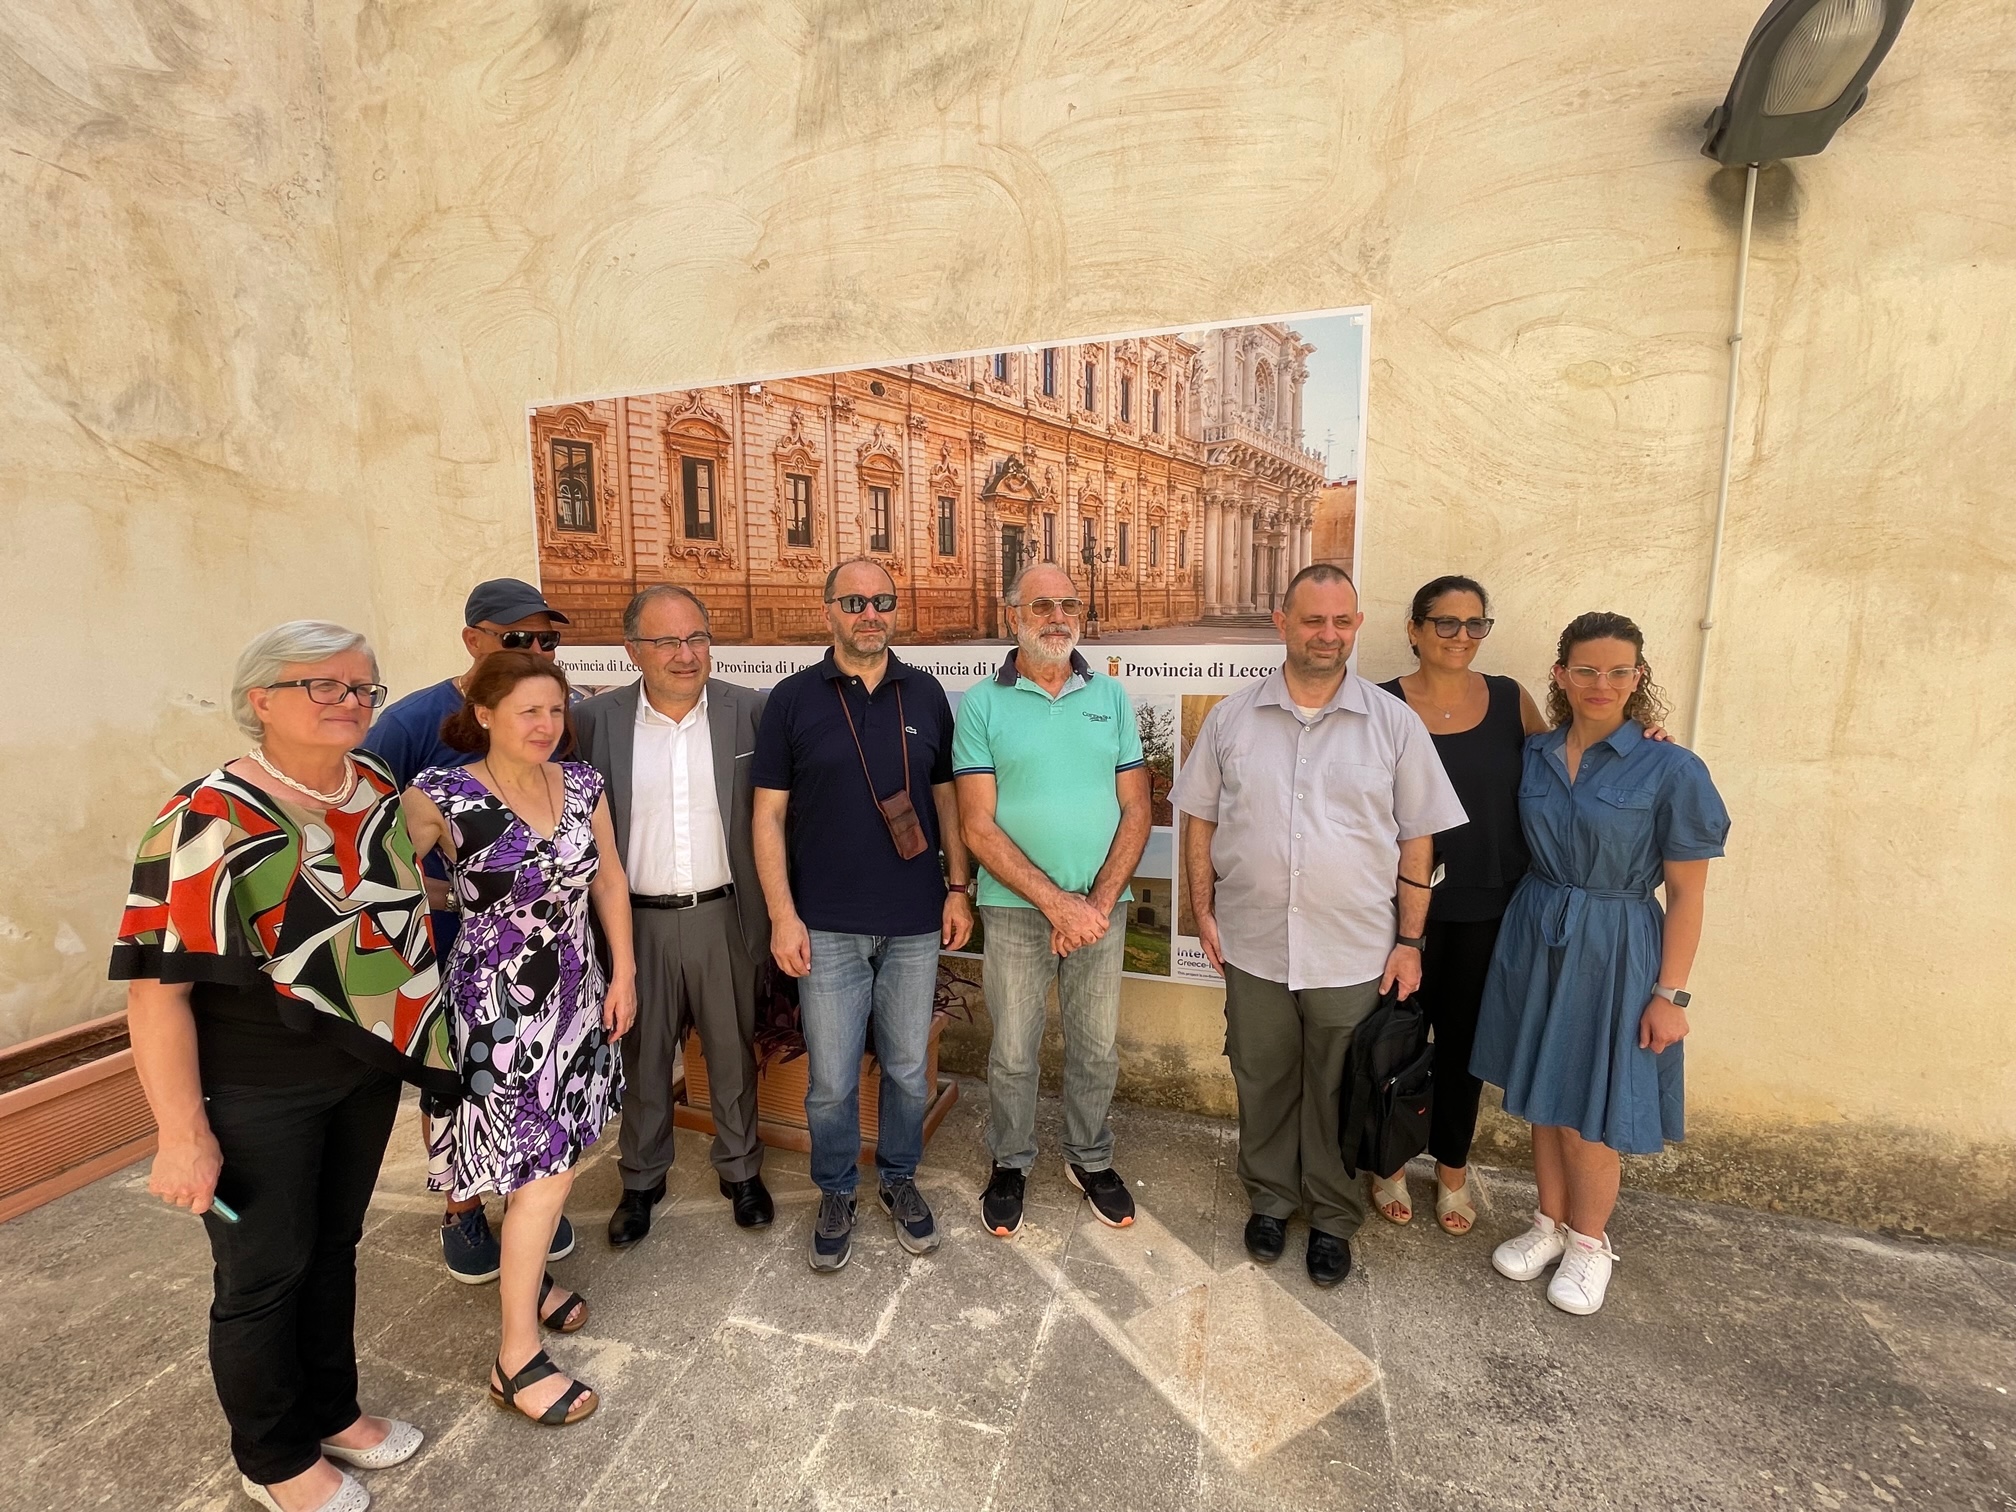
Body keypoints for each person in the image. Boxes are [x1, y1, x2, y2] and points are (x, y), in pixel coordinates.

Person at [114, 620, 454, 1512]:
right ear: (259, 699)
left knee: (334, 1247)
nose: (351, 702)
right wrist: (181, 1133)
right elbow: (156, 993)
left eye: (365, 688)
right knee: (263, 1272)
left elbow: (391, 873)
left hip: (361, 1065)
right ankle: (272, 1458)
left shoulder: (377, 784)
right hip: (256, 1083)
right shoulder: (204, 819)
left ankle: (332, 1410)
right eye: (325, 685)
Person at [1172, 565, 1466, 1286]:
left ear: (1357, 627)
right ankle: (1271, 1199)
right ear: (1282, 621)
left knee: (1341, 1088)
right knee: (1262, 1075)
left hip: (1354, 952)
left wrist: (1409, 941)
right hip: (1254, 944)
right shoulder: (1231, 720)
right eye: (1312, 620)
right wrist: (1203, 913)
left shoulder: (1392, 725)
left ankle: (1333, 1216)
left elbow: (1419, 840)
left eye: (1341, 622)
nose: (1327, 635)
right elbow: (1200, 821)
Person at [1470, 612, 1729, 1316]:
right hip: (1537, 929)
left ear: (1639, 679)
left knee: (1593, 1106)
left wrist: (1671, 993)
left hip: (1616, 943)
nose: (1601, 683)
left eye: (1619, 670)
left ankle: (1591, 1244)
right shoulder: (1535, 754)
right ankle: (1548, 1226)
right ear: (1560, 675)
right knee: (1545, 1095)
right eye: (1585, 669)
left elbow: (1687, 893)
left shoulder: (1671, 766)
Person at [402, 652, 637, 1424]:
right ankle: (515, 1358)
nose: (545, 725)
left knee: (555, 1156)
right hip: (496, 1004)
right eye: (528, 710)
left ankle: (527, 1279)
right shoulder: (440, 794)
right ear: (486, 712)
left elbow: (607, 880)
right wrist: (455, 891)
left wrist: (624, 974)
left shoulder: (583, 784)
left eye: (554, 711)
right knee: (537, 1168)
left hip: (576, 990)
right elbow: (380, 878)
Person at [752, 559, 974, 1271]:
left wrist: (958, 887)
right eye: (855, 601)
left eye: (882, 601)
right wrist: (783, 916)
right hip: (825, 925)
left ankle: (900, 1179)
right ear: (829, 613)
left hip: (914, 922)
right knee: (831, 1079)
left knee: (910, 1069)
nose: (869, 613)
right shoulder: (791, 699)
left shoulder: (928, 693)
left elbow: (947, 803)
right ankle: (837, 1189)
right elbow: (768, 816)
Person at [362, 577, 573, 1282]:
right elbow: (371, 847)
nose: (538, 648)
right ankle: (462, 1209)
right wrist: (447, 894)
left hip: (538, 952)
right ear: (473, 639)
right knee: (453, 1086)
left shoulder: (549, 716)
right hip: (451, 950)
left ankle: (527, 1193)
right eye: (521, 637)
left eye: (548, 639)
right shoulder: (413, 722)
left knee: (524, 1079)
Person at [574, 584, 776, 1245]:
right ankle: (640, 1178)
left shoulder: (751, 712)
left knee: (730, 1052)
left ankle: (741, 1170)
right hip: (637, 924)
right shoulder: (595, 723)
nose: (686, 654)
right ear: (632, 649)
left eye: (697, 637)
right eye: (667, 641)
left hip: (726, 915)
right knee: (641, 1053)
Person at [955, 564, 1150, 1239]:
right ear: (1012, 614)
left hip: (1102, 909)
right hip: (1012, 910)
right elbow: (977, 825)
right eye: (1042, 605)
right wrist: (1055, 905)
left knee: (1096, 1048)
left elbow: (1137, 807)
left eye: (1069, 603)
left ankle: (1090, 1158)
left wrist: (1090, 904)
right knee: (1013, 1048)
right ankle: (1010, 1161)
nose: (1058, 616)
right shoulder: (981, 704)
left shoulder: (1113, 699)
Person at [1372, 575, 1547, 1235]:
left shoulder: (1510, 701)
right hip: (1394, 913)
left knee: (1464, 1050)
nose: (1462, 637)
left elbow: (1570, 767)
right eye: (1446, 623)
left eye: (1475, 624)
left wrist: (1643, 742)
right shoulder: (1381, 705)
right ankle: (1387, 1164)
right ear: (1414, 630)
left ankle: (1451, 1172)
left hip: (1485, 909)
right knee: (1393, 1044)